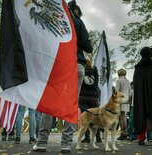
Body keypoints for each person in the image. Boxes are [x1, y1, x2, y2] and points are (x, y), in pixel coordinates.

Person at [33, 1, 93, 153]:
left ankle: (41, 142)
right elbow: (88, 47)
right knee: (71, 104)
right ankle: (66, 144)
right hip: (76, 65)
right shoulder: (78, 22)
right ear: (75, 11)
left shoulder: (53, 20)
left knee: (49, 102)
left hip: (56, 64)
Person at [79, 59, 101, 143]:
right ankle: (98, 138)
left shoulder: (82, 72)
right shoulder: (95, 72)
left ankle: (87, 137)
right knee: (96, 117)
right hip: (94, 98)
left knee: (86, 117)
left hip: (83, 97)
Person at [115, 69, 131, 140]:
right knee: (124, 116)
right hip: (127, 101)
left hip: (120, 101)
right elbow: (130, 91)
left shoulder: (119, 81)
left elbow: (116, 92)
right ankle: (125, 132)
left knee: (121, 117)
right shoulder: (128, 81)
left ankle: (123, 133)